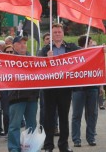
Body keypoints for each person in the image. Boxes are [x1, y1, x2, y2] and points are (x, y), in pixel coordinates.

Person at [40, 23, 79, 152]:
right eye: (55, 32)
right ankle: (48, 145)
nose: (57, 34)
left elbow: (86, 54)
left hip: (65, 88)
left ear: (63, 33)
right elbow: (37, 65)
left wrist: (101, 49)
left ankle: (63, 145)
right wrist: (46, 59)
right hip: (49, 88)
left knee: (64, 118)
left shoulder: (71, 47)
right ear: (51, 35)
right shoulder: (45, 50)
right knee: (49, 118)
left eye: (59, 32)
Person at [8, 35, 39, 152]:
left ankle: (31, 148)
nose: (23, 45)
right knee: (14, 125)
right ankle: (14, 148)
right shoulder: (8, 60)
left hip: (32, 97)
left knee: (32, 125)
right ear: (14, 45)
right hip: (17, 97)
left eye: (25, 43)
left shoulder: (33, 59)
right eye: (20, 43)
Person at [71, 35, 99, 148]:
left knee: (92, 114)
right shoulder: (75, 54)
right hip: (78, 89)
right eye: (90, 42)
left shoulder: (94, 54)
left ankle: (91, 137)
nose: (92, 44)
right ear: (85, 44)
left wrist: (100, 87)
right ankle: (76, 139)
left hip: (92, 88)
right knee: (76, 115)